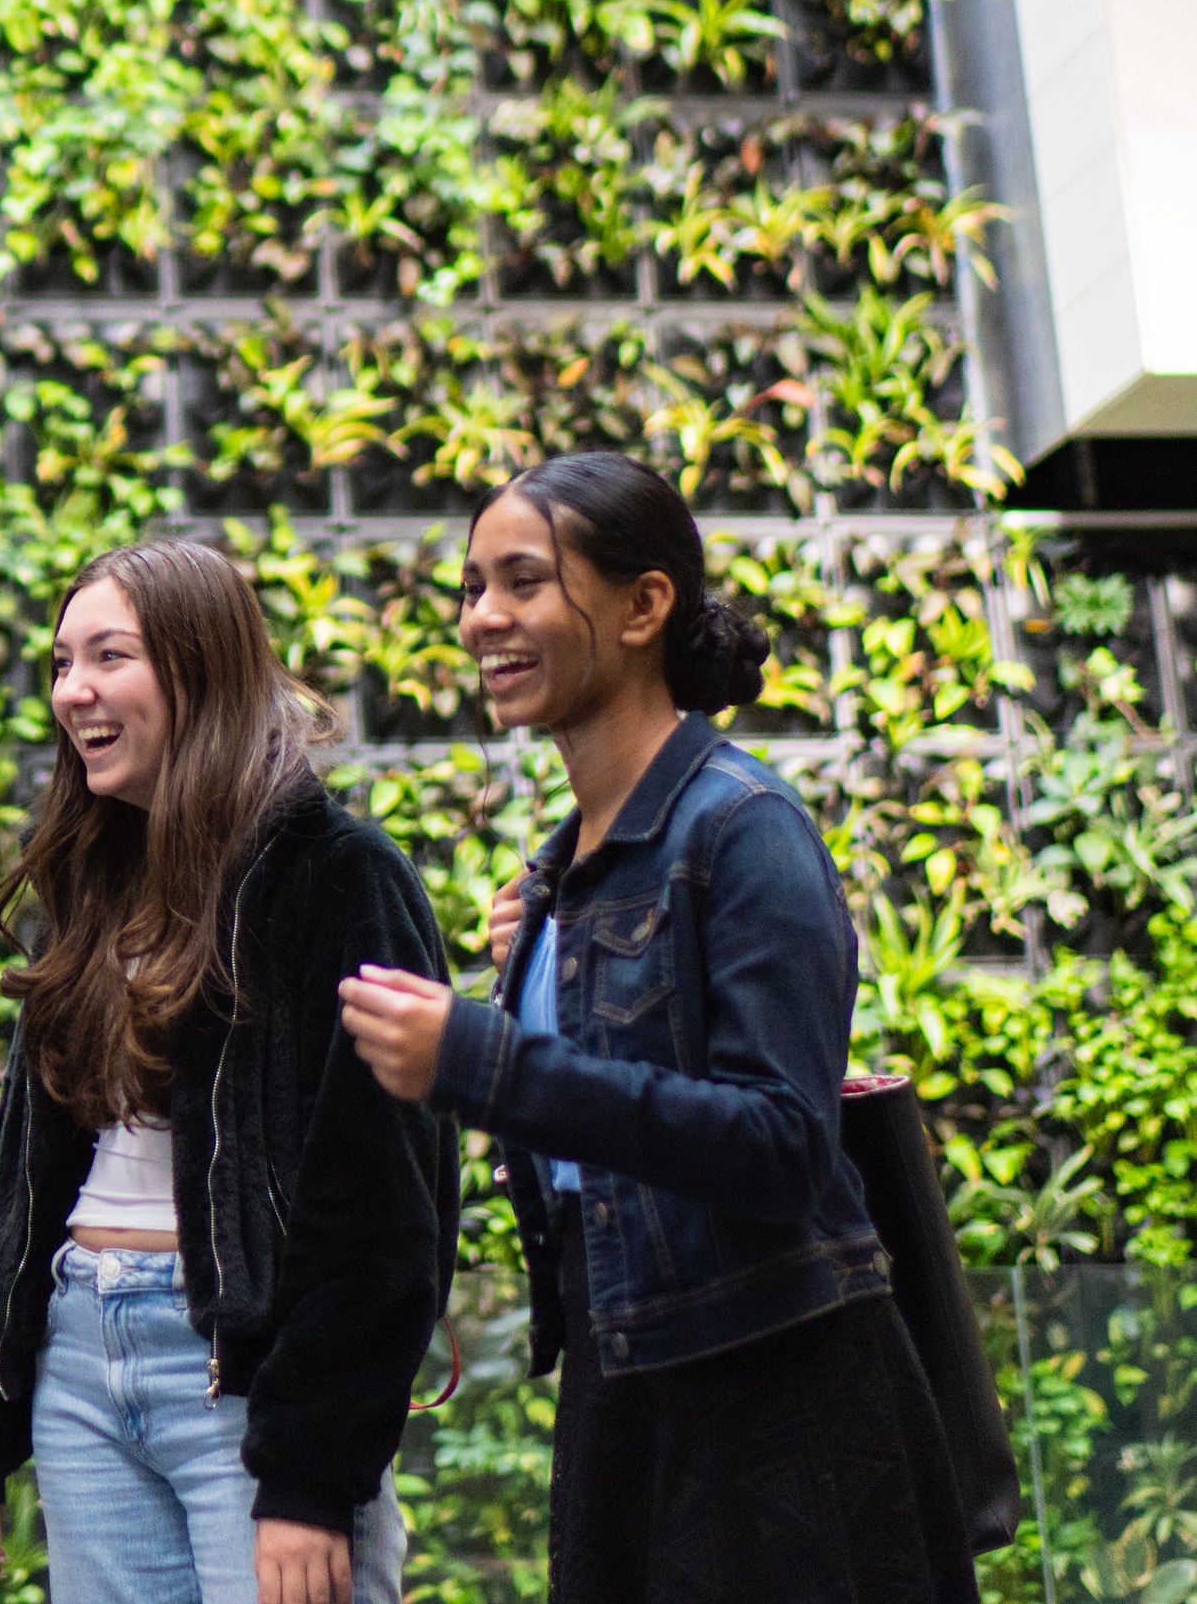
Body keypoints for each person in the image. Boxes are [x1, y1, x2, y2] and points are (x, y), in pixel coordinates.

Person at [336, 451, 978, 1604]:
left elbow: (781, 1142)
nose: (483, 619)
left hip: (777, 1400)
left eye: (522, 581)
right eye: (472, 588)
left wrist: (482, 1061)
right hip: (624, 1378)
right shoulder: (559, 877)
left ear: (643, 605)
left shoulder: (743, 829)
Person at [0, 539, 451, 1604]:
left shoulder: (338, 878)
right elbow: (23, 1174)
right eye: (61, 663)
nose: (74, 691)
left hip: (242, 1384)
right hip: (77, 1360)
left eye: (107, 657)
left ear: (200, 668)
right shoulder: (87, 886)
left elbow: (386, 1202)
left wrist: (308, 1470)